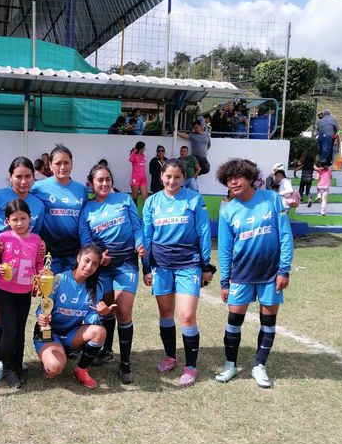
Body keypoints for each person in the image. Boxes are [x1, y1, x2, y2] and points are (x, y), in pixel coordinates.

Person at [215, 159, 294, 388]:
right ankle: (230, 365)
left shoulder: (271, 199)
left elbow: (285, 235)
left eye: (238, 177)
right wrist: (225, 281)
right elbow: (225, 249)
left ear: (250, 177)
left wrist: (284, 269)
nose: (233, 182)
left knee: (268, 322)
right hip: (241, 274)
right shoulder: (228, 210)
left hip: (271, 274)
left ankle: (259, 366)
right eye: (229, 179)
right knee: (234, 321)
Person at [142, 158, 213, 387]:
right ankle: (170, 356)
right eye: (168, 176)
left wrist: (205, 266)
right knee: (166, 313)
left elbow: (203, 232)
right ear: (161, 176)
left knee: (187, 315)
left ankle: (191, 366)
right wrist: (146, 266)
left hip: (188, 264)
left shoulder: (194, 199)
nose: (172, 181)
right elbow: (147, 236)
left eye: (177, 177)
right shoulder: (151, 202)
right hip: (161, 265)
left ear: (184, 178)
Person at [0, 156, 45, 382]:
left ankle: (16, 363)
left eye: (28, 176)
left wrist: (40, 255)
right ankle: (4, 364)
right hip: (2, 280)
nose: (23, 181)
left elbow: (37, 244)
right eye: (18, 176)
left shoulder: (38, 205)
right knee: (2, 320)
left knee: (18, 326)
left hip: (24, 286)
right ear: (10, 177)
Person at [79, 164, 146, 384]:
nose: (104, 183)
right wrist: (99, 257)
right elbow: (86, 242)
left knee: (123, 311)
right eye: (100, 180)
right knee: (107, 311)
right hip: (103, 268)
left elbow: (137, 228)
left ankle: (125, 364)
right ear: (91, 184)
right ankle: (106, 351)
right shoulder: (87, 210)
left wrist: (139, 244)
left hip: (126, 264)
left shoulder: (124, 199)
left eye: (108, 179)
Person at [34, 243, 117, 389]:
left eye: (95, 264)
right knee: (55, 367)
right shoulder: (59, 279)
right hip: (49, 332)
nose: (89, 267)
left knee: (100, 332)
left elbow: (90, 316)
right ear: (78, 258)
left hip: (72, 334)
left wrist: (99, 314)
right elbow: (43, 307)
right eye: (87, 260)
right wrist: (43, 317)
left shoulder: (96, 286)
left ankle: (81, 370)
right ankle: (55, 354)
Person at [0, 199, 43, 388]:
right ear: (7, 221)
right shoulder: (3, 238)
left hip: (24, 293)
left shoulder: (36, 240)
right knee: (9, 329)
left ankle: (18, 365)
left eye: (23, 218)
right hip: (4, 292)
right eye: (15, 219)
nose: (19, 223)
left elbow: (39, 264)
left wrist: (40, 279)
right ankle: (8, 369)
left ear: (30, 218)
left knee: (19, 330)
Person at [31, 145, 87, 274]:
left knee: (70, 285)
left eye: (66, 163)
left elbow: (83, 222)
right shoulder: (38, 188)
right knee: (51, 286)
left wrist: (84, 248)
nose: (62, 167)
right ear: (50, 165)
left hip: (74, 253)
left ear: (72, 164)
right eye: (58, 163)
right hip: (49, 253)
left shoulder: (81, 190)